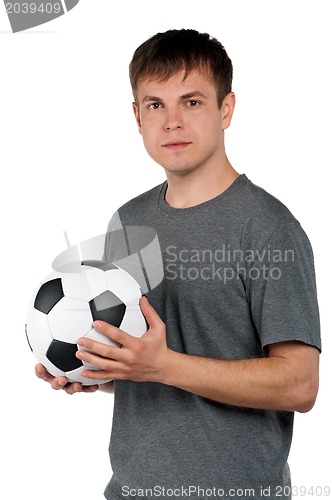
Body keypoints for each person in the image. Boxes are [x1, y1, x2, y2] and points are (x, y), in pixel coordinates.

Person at [36, 29, 321, 500]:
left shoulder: (269, 229)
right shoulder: (128, 223)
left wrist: (162, 366)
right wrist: (95, 373)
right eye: (155, 104)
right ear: (136, 116)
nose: (171, 122)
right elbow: (147, 368)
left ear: (225, 109)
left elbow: (299, 384)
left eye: (191, 102)